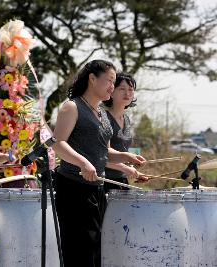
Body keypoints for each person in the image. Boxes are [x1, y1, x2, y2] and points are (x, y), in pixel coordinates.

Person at [52, 59, 146, 267]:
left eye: (114, 82)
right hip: (73, 187)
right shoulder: (72, 106)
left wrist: (126, 157)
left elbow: (102, 150)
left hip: (96, 188)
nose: (112, 87)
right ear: (92, 79)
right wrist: (83, 163)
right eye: (110, 81)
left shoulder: (102, 113)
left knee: (95, 250)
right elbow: (58, 143)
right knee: (79, 251)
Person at [103, 72, 148, 192]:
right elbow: (100, 155)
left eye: (131, 89)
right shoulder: (103, 118)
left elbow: (125, 153)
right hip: (105, 180)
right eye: (122, 88)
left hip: (122, 180)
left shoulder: (127, 119)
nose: (127, 93)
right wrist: (126, 169)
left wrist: (135, 172)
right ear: (111, 91)